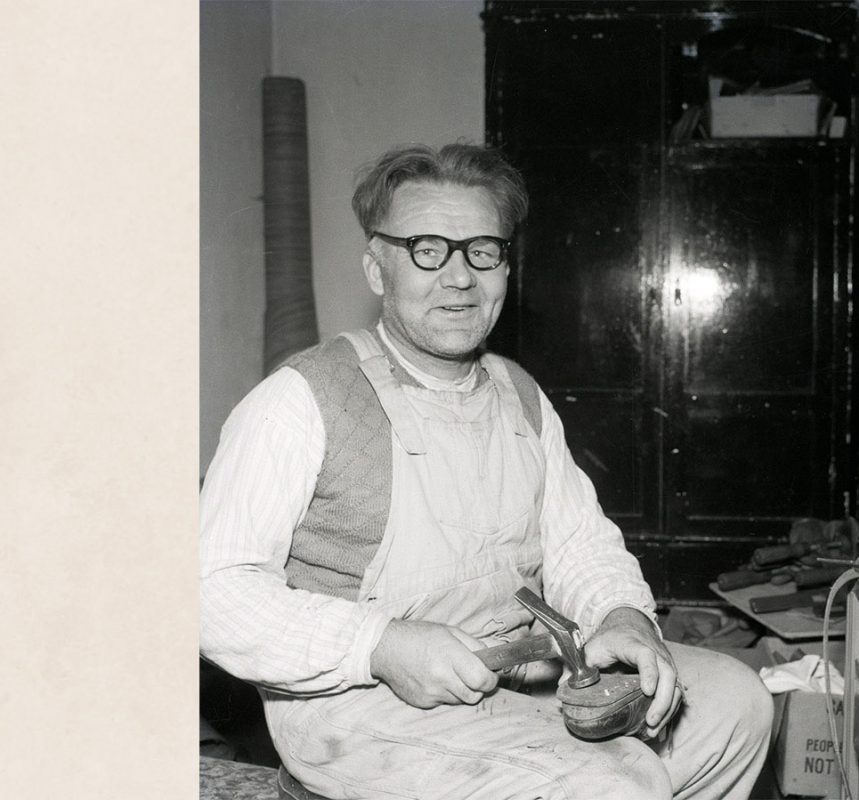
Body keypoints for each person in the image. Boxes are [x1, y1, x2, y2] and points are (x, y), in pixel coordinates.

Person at [199, 143, 774, 800]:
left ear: (505, 266)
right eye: (426, 248)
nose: (459, 277)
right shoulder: (300, 400)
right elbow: (213, 592)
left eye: (482, 250)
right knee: (619, 781)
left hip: (517, 673)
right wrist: (378, 644)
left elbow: (577, 543)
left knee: (737, 702)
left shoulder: (518, 393)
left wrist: (620, 617)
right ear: (376, 268)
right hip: (357, 705)